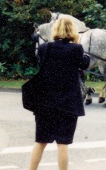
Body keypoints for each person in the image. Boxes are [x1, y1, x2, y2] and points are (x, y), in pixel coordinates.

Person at [29, 17, 90, 170]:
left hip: (45, 103)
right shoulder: (76, 49)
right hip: (67, 104)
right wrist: (86, 56)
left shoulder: (45, 48)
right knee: (63, 144)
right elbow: (83, 65)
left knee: (40, 142)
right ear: (72, 30)